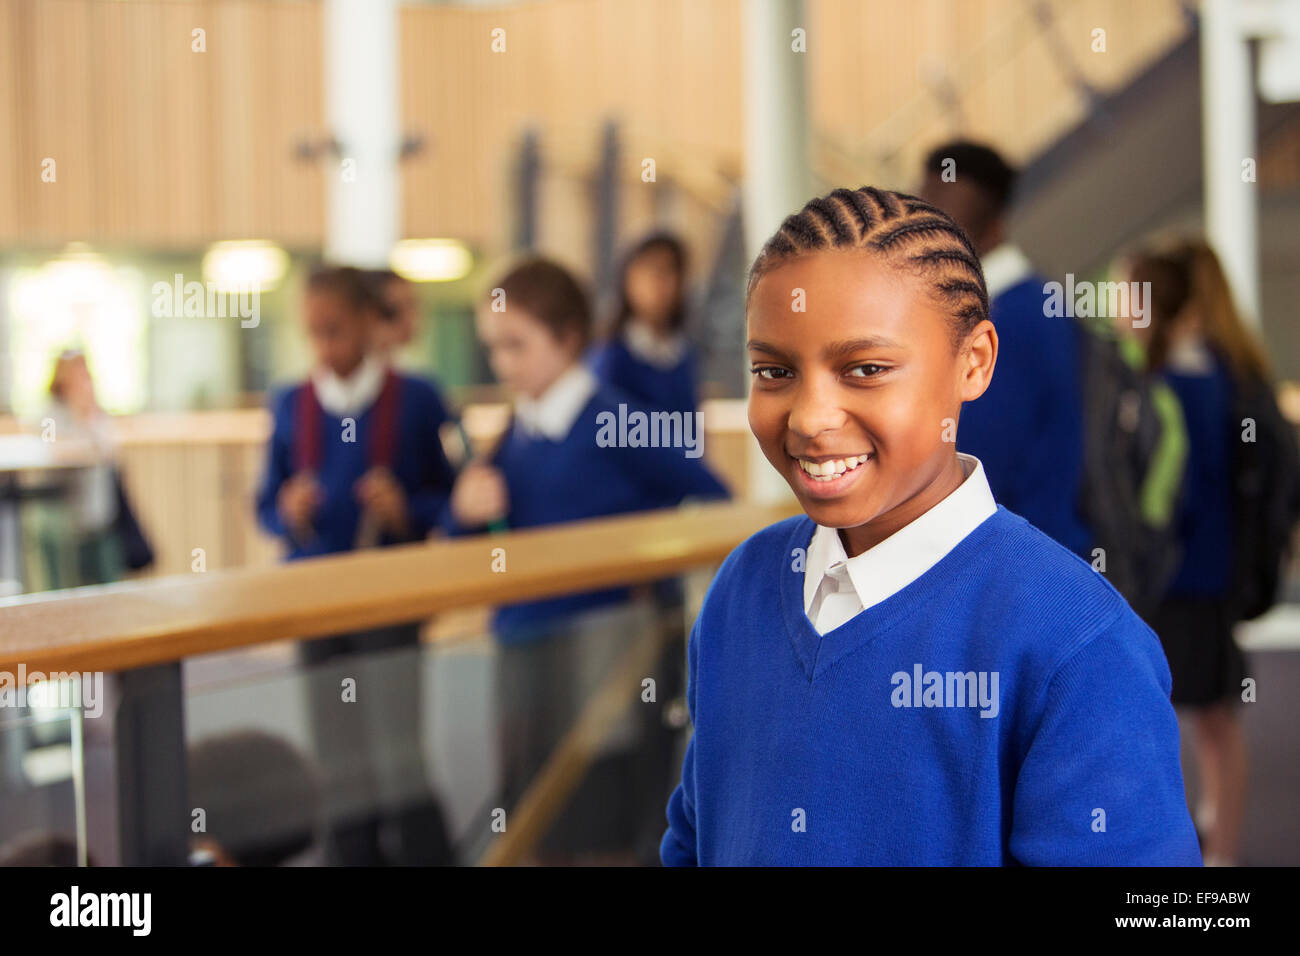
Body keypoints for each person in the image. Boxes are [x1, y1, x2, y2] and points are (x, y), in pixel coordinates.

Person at [660, 186, 1201, 865]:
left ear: (972, 363)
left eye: (865, 369)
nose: (809, 417)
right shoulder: (743, 587)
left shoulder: (1078, 645)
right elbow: (694, 838)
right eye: (773, 371)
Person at [446, 257, 727, 862]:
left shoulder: (619, 420)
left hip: (614, 659)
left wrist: (643, 567)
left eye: (516, 345)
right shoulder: (508, 437)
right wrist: (463, 510)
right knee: (535, 812)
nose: (502, 365)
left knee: (607, 817)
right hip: (523, 652)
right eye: (493, 348)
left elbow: (712, 497)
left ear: (569, 337)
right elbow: (463, 543)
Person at [255, 265, 457, 866]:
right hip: (316, 602)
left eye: (335, 330)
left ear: (372, 324)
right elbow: (264, 502)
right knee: (335, 756)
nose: (323, 346)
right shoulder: (291, 403)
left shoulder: (418, 400)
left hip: (390, 602)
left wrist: (405, 509)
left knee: (398, 751)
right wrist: (286, 509)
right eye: (312, 333)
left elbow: (447, 501)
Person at [1123, 240, 1279, 866]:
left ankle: (1211, 862)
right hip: (1196, 581)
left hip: (1185, 582)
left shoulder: (1183, 385)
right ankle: (1211, 855)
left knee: (1197, 722)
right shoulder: (1206, 374)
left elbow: (1176, 496)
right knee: (1205, 723)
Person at [918, 142, 1091, 558]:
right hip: (1035, 553)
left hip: (1019, 567)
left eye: (938, 216)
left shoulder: (1006, 322)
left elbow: (972, 460)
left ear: (993, 224)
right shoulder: (1038, 303)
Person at [38, 349, 126, 587]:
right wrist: (78, 417)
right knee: (62, 590)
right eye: (74, 375)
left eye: (83, 374)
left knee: (106, 588)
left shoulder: (96, 413)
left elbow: (109, 451)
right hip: (61, 523)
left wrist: (86, 415)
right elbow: (56, 453)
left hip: (99, 517)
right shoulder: (50, 413)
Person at [589, 233, 700, 416]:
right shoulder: (610, 358)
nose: (658, 282)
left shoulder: (683, 354)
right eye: (649, 270)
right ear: (627, 279)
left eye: (668, 271)